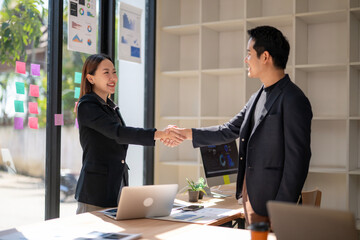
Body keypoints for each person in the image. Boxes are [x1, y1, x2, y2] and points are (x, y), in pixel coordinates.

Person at [164, 26, 312, 225]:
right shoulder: (256, 97)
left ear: (265, 56)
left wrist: (281, 209)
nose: (246, 60)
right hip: (251, 201)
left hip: (275, 206)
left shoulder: (293, 99)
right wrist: (184, 133)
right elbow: (228, 130)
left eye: (249, 54)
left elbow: (298, 160)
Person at [75, 54, 184, 214]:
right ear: (91, 79)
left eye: (114, 72)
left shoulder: (110, 106)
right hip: (95, 192)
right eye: (106, 73)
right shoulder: (87, 106)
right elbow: (119, 133)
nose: (113, 77)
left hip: (116, 186)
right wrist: (160, 134)